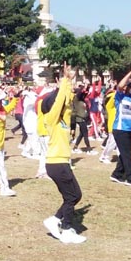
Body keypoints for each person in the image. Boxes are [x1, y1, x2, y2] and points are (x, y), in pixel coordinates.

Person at [42, 62, 87, 244]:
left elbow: (67, 101)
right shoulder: (51, 119)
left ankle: (54, 220)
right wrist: (63, 82)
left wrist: (69, 82)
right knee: (72, 196)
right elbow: (60, 100)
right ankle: (66, 229)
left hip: (61, 162)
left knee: (74, 195)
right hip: (56, 163)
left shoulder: (64, 120)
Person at [109, 69, 131, 188]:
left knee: (125, 153)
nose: (129, 88)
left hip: (128, 130)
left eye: (130, 87)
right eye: (127, 87)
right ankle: (130, 178)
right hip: (120, 129)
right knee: (126, 155)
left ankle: (117, 174)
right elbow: (119, 85)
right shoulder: (119, 97)